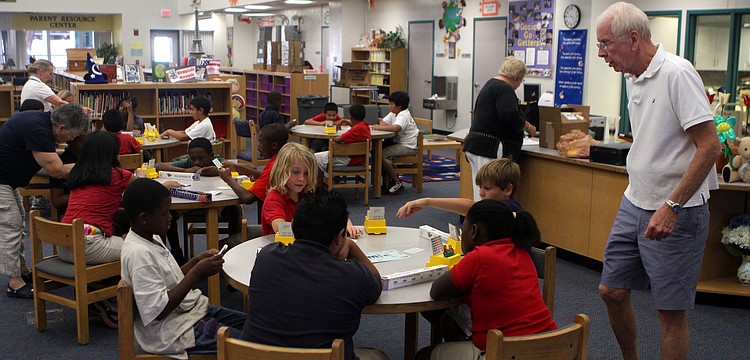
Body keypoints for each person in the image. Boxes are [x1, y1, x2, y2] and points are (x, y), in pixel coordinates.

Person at [595, 4, 721, 360]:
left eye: (606, 44)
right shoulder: (631, 74)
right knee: (611, 290)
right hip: (634, 200)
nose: (603, 54)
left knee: (669, 313)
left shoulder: (677, 73)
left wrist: (672, 205)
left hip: (676, 210)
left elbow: (709, 146)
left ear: (634, 39)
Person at [240, 190, 388, 360]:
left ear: (293, 225)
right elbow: (377, 282)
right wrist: (351, 246)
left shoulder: (266, 257)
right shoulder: (353, 276)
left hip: (257, 356)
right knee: (379, 356)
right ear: (340, 236)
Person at [120, 178, 246, 358]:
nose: (170, 217)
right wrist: (196, 273)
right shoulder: (140, 254)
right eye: (165, 213)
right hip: (172, 331)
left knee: (253, 325)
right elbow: (158, 312)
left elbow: (169, 278)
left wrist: (195, 261)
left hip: (187, 313)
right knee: (248, 343)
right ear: (144, 219)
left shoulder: (150, 237)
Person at [426, 199, 557, 360]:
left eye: (463, 229)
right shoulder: (521, 252)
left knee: (423, 355)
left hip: (506, 351)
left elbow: (436, 291)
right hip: (550, 345)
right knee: (453, 323)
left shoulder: (479, 257)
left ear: (474, 231)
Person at [0, 104, 89, 299]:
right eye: (72, 136)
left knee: (17, 224)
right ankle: (14, 283)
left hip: (7, 180)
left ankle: (22, 270)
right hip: (2, 180)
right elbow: (57, 171)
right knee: (11, 226)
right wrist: (92, 164)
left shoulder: (40, 122)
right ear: (62, 128)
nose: (71, 141)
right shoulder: (38, 130)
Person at [155, 137, 240, 264]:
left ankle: (233, 250)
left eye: (201, 158)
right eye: (193, 158)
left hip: (217, 201)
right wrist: (185, 170)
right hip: (191, 200)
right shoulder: (189, 162)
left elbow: (232, 168)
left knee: (235, 209)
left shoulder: (216, 161)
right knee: (169, 214)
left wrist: (215, 170)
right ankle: (177, 253)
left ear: (211, 155)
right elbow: (158, 165)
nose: (197, 162)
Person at [462, 56, 536, 201]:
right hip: (490, 147)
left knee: (481, 191)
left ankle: (481, 219)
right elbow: (509, 115)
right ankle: (488, 221)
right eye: (521, 80)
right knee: (490, 190)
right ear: (517, 77)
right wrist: (527, 126)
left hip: (477, 145)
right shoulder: (504, 89)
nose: (519, 84)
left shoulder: (490, 84)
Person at [58, 131, 136, 265]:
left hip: (64, 245)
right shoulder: (120, 175)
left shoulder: (78, 172)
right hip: (90, 247)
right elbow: (147, 191)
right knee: (145, 246)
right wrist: (167, 185)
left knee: (118, 233)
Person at [397, 158, 522, 220]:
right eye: (480, 187)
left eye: (488, 188)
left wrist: (427, 202)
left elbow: (470, 208)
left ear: (507, 190)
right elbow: (472, 206)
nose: (481, 193)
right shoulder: (502, 206)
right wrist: (427, 202)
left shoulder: (507, 212)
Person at [218, 123, 288, 205]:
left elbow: (248, 198)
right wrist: (237, 168)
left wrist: (228, 178)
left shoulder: (276, 166)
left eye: (261, 142)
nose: (258, 146)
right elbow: (265, 177)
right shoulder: (283, 157)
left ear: (274, 146)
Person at [261, 142, 318, 235]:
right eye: (295, 172)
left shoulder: (307, 194)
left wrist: (343, 221)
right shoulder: (274, 199)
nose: (301, 178)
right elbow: (281, 228)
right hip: (279, 247)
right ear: (282, 171)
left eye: (306, 174)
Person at [372, 91, 420, 194]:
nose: (389, 106)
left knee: (383, 154)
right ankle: (386, 181)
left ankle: (397, 182)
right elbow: (383, 121)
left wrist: (378, 127)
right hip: (398, 143)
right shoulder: (394, 112)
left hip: (408, 147)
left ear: (399, 106)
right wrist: (382, 125)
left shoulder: (403, 114)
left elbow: (396, 128)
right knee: (376, 150)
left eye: (391, 104)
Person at [313, 103, 370, 185]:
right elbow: (355, 127)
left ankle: (319, 187)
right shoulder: (365, 126)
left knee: (315, 158)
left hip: (351, 159)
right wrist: (344, 121)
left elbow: (337, 140)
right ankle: (326, 181)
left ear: (351, 117)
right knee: (323, 157)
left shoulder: (355, 130)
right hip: (360, 158)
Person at [49, 133, 87, 219]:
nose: (87, 147)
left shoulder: (92, 159)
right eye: (82, 143)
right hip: (72, 212)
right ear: (70, 142)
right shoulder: (61, 164)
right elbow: (57, 201)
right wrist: (84, 195)